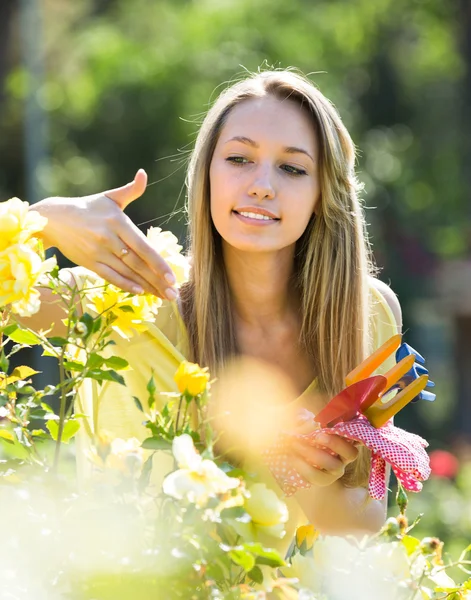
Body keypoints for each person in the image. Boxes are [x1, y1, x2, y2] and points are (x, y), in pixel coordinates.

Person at [25, 69, 401, 546]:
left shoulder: (368, 313)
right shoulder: (128, 301)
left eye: (292, 168)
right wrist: (42, 220)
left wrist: (301, 471)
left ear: (323, 192)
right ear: (206, 174)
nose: (262, 185)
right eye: (239, 159)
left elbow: (362, 515)